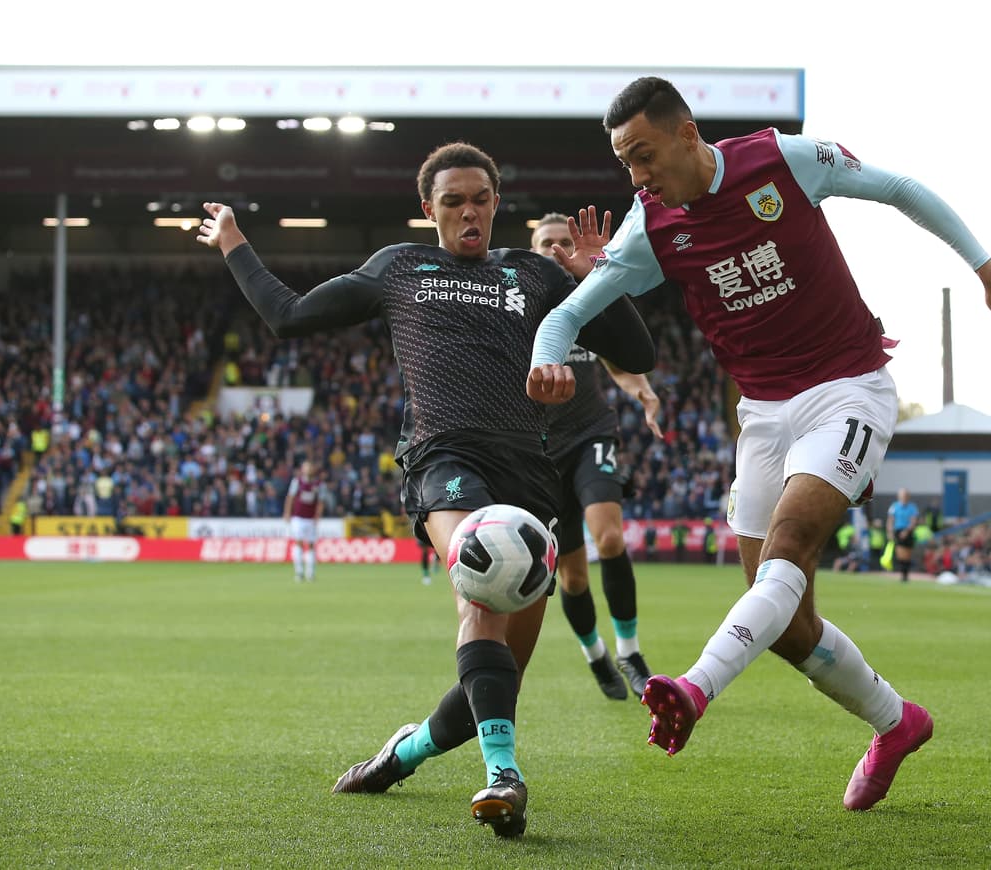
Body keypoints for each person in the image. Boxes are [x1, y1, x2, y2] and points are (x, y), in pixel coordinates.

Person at [526, 76, 991, 811]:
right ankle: (897, 724)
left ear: (685, 132)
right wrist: (545, 358)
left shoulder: (783, 161)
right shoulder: (651, 225)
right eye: (623, 162)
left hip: (848, 388)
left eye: (642, 154)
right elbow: (568, 318)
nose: (635, 176)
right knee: (787, 625)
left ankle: (692, 688)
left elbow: (900, 188)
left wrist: (988, 271)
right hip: (761, 416)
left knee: (789, 547)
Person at [195, 141, 653, 838]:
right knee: (484, 578)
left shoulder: (534, 273)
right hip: (445, 460)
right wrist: (234, 242)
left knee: (494, 686)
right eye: (452, 202)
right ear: (427, 210)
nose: (468, 213)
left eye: (479, 199)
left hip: (530, 472)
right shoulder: (400, 267)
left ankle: (402, 754)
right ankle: (505, 778)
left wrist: (600, 275)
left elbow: (638, 354)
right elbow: (288, 316)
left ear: (497, 203)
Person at [530, 211, 662, 700]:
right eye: (546, 242)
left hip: (591, 434)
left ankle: (629, 651)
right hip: (541, 451)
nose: (556, 248)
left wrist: (642, 391)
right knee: (573, 574)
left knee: (609, 538)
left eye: (563, 240)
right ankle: (595, 655)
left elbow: (620, 360)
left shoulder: (588, 301)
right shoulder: (518, 306)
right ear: (533, 248)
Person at [283, 459, 323, 582]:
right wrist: (287, 513)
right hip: (298, 517)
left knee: (311, 545)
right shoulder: (297, 482)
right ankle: (299, 572)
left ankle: (311, 573)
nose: (308, 470)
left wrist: (318, 516)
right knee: (299, 543)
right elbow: (290, 497)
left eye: (310, 467)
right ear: (302, 470)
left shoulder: (318, 485)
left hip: (310, 518)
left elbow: (320, 501)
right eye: (306, 467)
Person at [888, 488, 920, 582]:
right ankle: (903, 574)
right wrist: (890, 532)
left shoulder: (912, 507)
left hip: (908, 531)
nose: (904, 498)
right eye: (902, 496)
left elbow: (913, 521)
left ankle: (905, 574)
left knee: (907, 554)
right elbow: (890, 520)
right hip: (898, 531)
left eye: (905, 496)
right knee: (900, 554)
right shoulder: (894, 506)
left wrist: (907, 531)